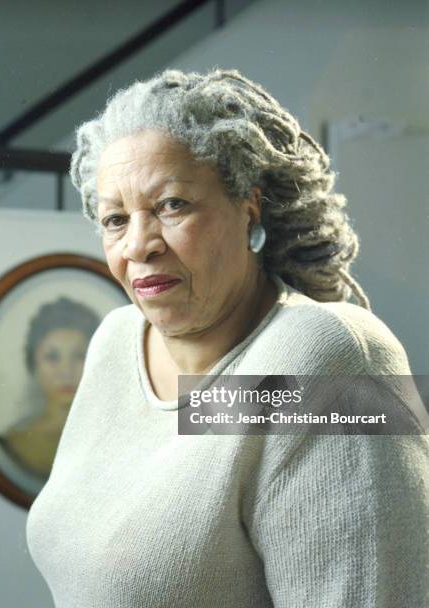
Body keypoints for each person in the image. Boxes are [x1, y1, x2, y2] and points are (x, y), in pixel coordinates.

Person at [26, 68, 428, 607]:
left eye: (173, 205)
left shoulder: (326, 360)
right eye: (116, 219)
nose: (140, 245)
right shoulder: (115, 341)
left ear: (249, 208)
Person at [0, 296, 99, 479]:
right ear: (33, 365)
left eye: (79, 356)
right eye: (52, 357)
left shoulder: (115, 440)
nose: (66, 372)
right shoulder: (7, 448)